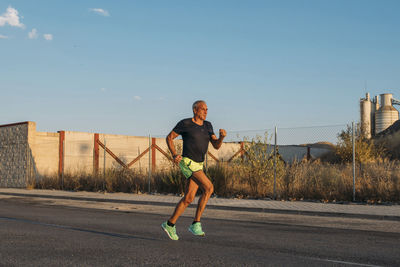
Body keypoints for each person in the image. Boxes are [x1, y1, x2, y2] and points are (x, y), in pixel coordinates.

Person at [161, 100, 226, 240]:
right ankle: (196, 223)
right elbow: (169, 137)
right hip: (187, 163)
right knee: (209, 188)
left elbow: (216, 145)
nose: (206, 111)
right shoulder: (185, 124)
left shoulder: (208, 125)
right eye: (203, 109)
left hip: (199, 164)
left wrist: (221, 138)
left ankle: (169, 224)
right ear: (195, 110)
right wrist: (174, 154)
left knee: (189, 198)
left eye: (207, 109)